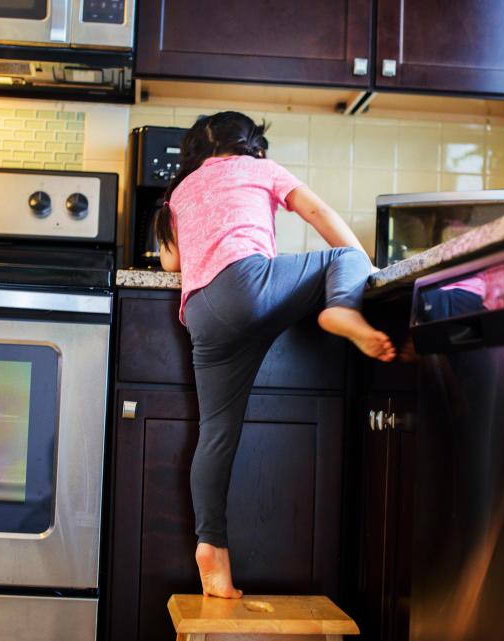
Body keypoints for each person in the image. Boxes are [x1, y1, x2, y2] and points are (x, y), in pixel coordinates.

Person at [155, 111, 396, 599]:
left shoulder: (178, 195)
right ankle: (341, 309)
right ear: (252, 146)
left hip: (202, 313)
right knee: (344, 258)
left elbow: (172, 262)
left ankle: (212, 551)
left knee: (215, 434)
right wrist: (362, 270)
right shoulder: (261, 169)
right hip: (250, 285)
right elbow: (319, 214)